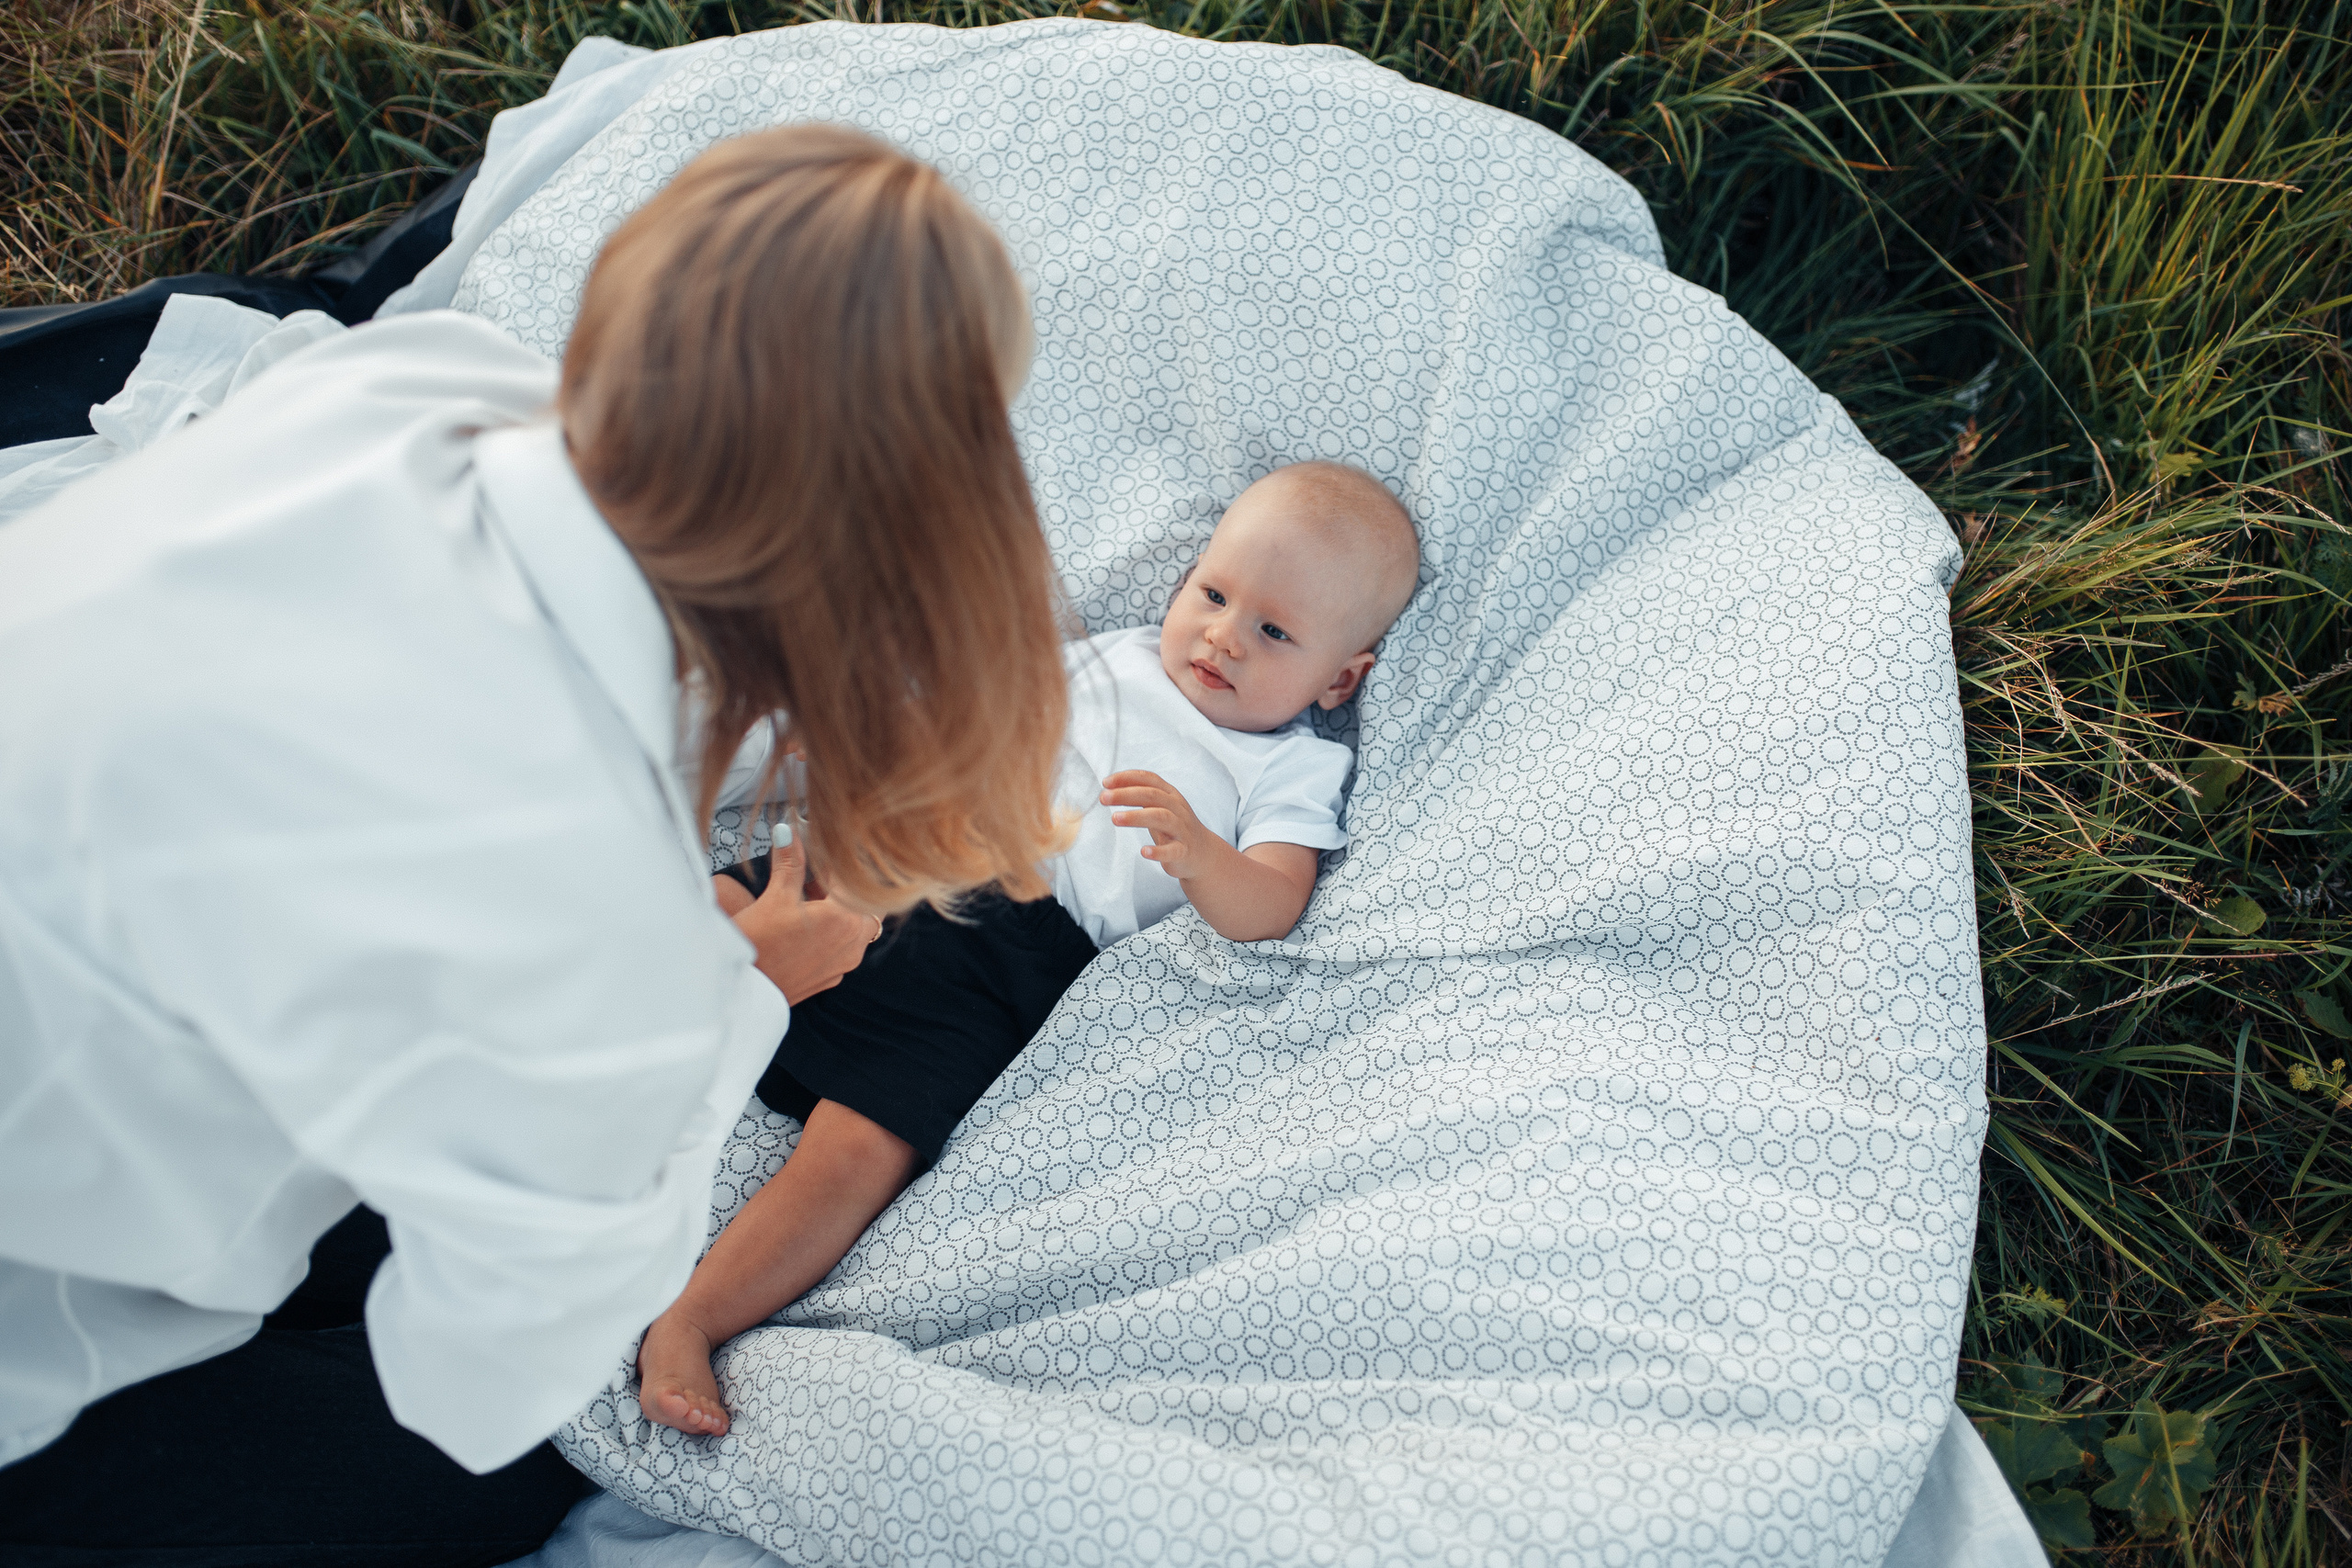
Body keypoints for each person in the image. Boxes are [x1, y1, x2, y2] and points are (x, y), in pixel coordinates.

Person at [0, 126, 1068, 1567]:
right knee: (509, 1451)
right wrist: (736, 987)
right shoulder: (592, 913)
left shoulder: (414, 383)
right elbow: (477, 1364)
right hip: (41, 1333)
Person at [636, 460, 1421, 1437]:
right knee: (715, 899)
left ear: (1340, 676)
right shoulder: (1118, 657)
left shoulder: (1290, 764)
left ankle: (691, 1322)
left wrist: (1200, 855)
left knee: (865, 1145)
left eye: (1272, 632)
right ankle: (595, 1033)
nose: (1221, 635)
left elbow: (1267, 906)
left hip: (1012, 959)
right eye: (1213, 594)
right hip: (920, 850)